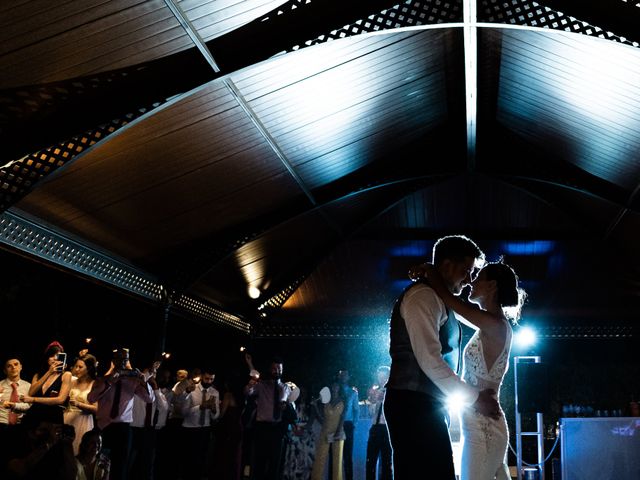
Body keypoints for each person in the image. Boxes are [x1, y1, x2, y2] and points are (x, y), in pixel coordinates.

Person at [384, 235, 500, 480]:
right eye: (466, 271)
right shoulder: (423, 297)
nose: (469, 280)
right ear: (446, 266)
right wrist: (475, 398)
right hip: (411, 403)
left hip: (424, 404)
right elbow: (429, 359)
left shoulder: (440, 299)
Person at [412, 260, 525, 480]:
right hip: (479, 422)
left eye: (478, 278)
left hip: (484, 427)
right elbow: (454, 306)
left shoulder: (497, 326)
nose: (471, 282)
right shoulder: (490, 324)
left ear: (492, 286)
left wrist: (430, 269)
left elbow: (450, 301)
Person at [87, 347, 153, 480]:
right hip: (103, 426)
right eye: (119, 359)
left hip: (123, 428)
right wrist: (109, 382)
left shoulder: (133, 381)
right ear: (113, 361)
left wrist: (143, 382)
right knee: (98, 463)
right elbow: (91, 398)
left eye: (125, 359)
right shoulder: (103, 379)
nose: (122, 362)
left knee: (120, 466)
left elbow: (149, 399)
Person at [244, 355, 292, 480]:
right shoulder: (262, 385)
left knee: (274, 464)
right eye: (275, 368)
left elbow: (289, 407)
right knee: (259, 463)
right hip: (262, 429)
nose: (278, 371)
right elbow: (247, 393)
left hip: (277, 429)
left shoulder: (286, 388)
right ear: (270, 370)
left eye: (280, 369)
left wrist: (285, 407)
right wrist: (249, 385)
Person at [21, 341, 73, 428]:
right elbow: (31, 392)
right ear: (47, 358)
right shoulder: (38, 375)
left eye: (58, 356)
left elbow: (60, 399)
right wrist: (49, 372)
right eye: (52, 356)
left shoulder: (66, 375)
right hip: (34, 415)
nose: (55, 359)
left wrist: (33, 400)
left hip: (52, 417)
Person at [311, 381, 346, 480]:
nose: (334, 388)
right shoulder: (326, 401)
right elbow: (321, 419)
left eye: (336, 386)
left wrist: (339, 430)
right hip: (326, 430)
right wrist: (315, 406)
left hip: (338, 431)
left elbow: (343, 417)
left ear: (339, 388)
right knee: (320, 457)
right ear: (331, 388)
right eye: (333, 386)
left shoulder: (343, 400)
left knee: (337, 459)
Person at [64, 354, 98, 455]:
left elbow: (97, 409)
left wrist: (79, 404)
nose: (77, 369)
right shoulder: (72, 381)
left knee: (77, 451)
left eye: (80, 367)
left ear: (88, 369)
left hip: (82, 420)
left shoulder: (94, 384)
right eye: (76, 366)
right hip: (66, 417)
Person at [365, 366, 392, 480]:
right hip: (375, 427)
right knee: (370, 461)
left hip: (387, 429)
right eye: (379, 377)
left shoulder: (393, 391)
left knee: (386, 462)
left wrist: (384, 399)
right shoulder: (376, 391)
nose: (382, 380)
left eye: (384, 377)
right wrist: (372, 401)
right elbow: (371, 414)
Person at [335, 370, 358, 480]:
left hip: (348, 424)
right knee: (335, 454)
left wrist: (354, 423)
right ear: (338, 376)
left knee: (347, 455)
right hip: (334, 424)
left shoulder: (352, 393)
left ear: (348, 377)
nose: (343, 376)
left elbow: (356, 410)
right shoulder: (334, 390)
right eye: (341, 374)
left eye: (345, 375)